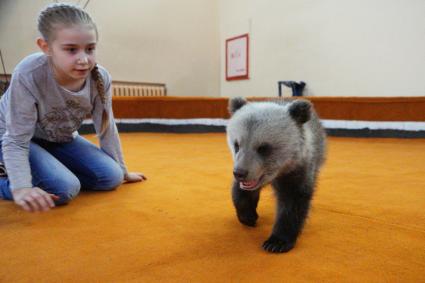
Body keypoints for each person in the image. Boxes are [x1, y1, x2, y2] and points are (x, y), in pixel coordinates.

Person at [0, 3, 146, 212]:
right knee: (63, 188)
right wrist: (21, 187)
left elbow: (106, 127)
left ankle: (49, 169)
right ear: (46, 47)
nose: (83, 59)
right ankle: (7, 181)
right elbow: (15, 139)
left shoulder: (100, 77)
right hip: (11, 137)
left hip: (56, 138)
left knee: (110, 177)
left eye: (90, 48)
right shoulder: (29, 73)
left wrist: (123, 171)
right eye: (71, 50)